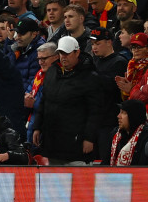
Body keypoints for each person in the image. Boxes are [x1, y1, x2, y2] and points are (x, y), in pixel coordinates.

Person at [31, 36, 108, 165]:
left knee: (77, 182)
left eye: (67, 53)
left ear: (77, 52)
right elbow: (44, 101)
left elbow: (95, 111)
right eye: (61, 53)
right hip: (53, 141)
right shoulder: (52, 72)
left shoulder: (89, 77)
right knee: (55, 181)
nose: (63, 56)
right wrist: (37, 127)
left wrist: (89, 138)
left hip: (75, 143)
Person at [107, 100, 148, 166]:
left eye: (123, 113)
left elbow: (145, 164)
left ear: (133, 116)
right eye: (120, 112)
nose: (118, 116)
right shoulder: (115, 134)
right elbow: (106, 162)